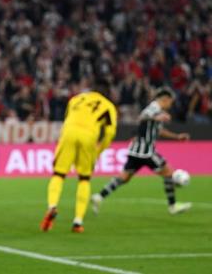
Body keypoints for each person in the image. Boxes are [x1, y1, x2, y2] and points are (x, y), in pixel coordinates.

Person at [91, 88, 191, 215]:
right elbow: (143, 116)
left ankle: (99, 197)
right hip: (146, 151)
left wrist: (177, 137)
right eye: (171, 102)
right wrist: (157, 117)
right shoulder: (154, 107)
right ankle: (173, 206)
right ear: (166, 99)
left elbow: (159, 131)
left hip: (135, 151)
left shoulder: (158, 111)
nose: (171, 105)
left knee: (124, 178)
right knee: (168, 172)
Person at [40, 78, 118, 233]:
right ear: (107, 93)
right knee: (84, 178)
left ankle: (52, 206)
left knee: (58, 174)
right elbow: (110, 133)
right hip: (89, 136)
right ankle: (78, 221)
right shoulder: (108, 106)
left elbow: (68, 117)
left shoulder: (77, 98)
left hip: (69, 132)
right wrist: (98, 150)